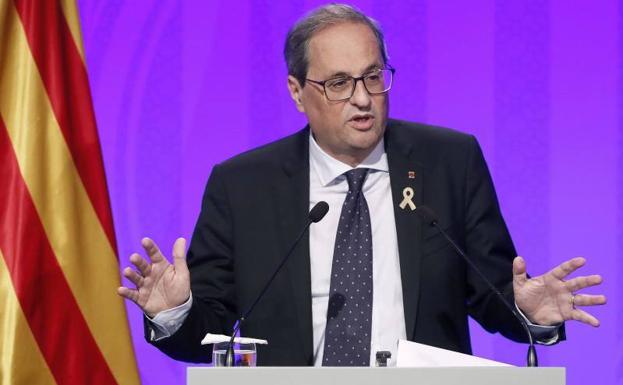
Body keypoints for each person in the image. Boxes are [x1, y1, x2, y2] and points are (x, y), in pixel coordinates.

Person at [118, 4, 606, 366]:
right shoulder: (242, 186)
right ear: (296, 91)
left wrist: (529, 312)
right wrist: (175, 313)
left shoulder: (448, 162)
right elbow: (211, 331)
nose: (362, 99)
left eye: (373, 77)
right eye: (338, 83)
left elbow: (493, 294)